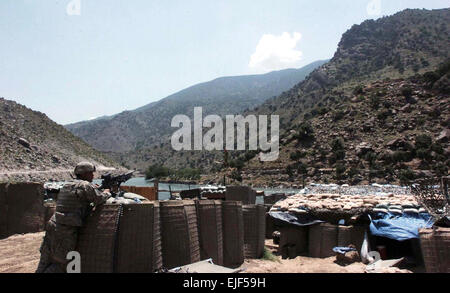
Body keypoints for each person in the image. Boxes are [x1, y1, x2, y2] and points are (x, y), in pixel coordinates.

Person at [36, 162, 111, 273]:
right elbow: (98, 199)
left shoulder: (67, 184)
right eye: (91, 173)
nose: (93, 176)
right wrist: (107, 192)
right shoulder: (85, 185)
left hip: (54, 223)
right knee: (62, 262)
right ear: (85, 174)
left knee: (45, 260)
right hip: (66, 229)